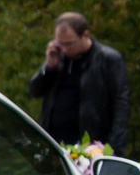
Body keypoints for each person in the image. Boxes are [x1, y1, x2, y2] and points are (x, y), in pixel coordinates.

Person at [27, 12, 130, 150]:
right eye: (60, 43)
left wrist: (114, 147)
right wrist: (49, 67)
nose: (65, 49)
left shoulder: (107, 59)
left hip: (91, 144)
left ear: (85, 35)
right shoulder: (58, 58)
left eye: (69, 44)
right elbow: (35, 91)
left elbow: (121, 102)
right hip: (55, 143)